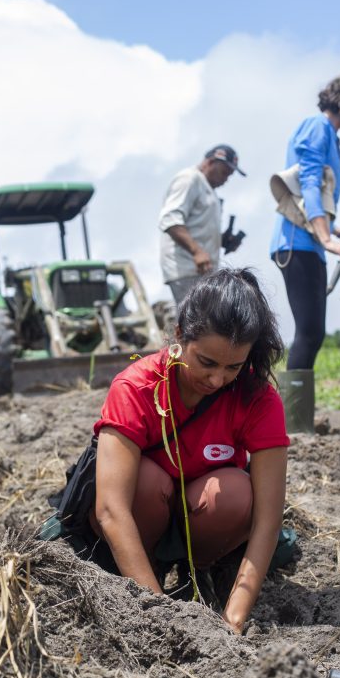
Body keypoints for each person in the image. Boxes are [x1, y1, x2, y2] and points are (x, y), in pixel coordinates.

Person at [90, 268, 289, 632]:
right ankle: (142, 575)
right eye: (207, 363)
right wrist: (157, 617)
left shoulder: (258, 399)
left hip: (204, 522)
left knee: (235, 492)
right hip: (139, 517)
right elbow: (109, 508)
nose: (217, 380)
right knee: (147, 481)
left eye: (234, 366)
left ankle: (201, 572)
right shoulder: (136, 388)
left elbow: (267, 519)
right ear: (180, 334)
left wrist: (235, 619)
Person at [269, 72, 340, 370]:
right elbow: (309, 185)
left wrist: (336, 231)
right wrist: (327, 239)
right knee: (309, 333)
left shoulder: (332, 136)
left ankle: (300, 415)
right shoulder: (317, 127)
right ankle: (294, 417)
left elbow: (317, 198)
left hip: (311, 243)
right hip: (297, 243)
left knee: (313, 334)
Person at [159, 145, 247, 305]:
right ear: (210, 162)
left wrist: (222, 240)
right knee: (197, 322)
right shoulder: (189, 179)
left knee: (204, 321)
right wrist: (197, 251)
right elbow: (170, 219)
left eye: (229, 175)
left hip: (201, 270)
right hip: (186, 268)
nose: (226, 179)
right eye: (224, 172)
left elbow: (197, 229)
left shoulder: (208, 189)